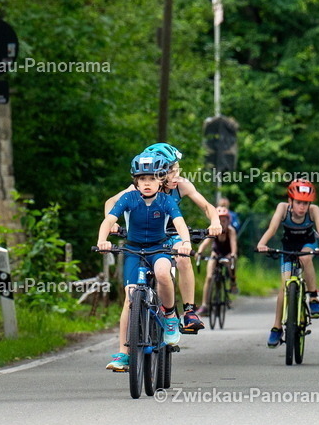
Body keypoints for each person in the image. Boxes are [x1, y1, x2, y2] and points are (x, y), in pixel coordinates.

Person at [104, 142, 219, 333]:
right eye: (172, 171)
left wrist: (215, 222)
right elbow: (110, 202)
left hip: (172, 235)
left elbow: (207, 207)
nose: (177, 175)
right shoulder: (140, 187)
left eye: (177, 170)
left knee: (183, 256)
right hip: (145, 238)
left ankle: (189, 311)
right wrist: (112, 224)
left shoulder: (181, 185)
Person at [97, 152, 192, 372]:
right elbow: (109, 219)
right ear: (136, 181)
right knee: (130, 297)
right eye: (142, 179)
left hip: (159, 249)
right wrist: (102, 240)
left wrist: (185, 242)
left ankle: (169, 315)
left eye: (151, 178)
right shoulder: (128, 199)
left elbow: (179, 223)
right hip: (133, 251)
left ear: (161, 180)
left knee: (162, 273)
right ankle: (123, 353)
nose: (146, 183)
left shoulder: (166, 200)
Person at [256, 180, 319, 348]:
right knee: (284, 286)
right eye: (299, 202)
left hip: (308, 244)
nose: (302, 207)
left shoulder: (314, 211)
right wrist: (262, 244)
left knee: (305, 258)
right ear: (290, 200)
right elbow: (272, 228)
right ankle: (277, 327)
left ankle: (313, 297)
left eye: (306, 203)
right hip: (288, 247)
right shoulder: (282, 208)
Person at [197, 207, 238, 314]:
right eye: (220, 220)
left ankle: (233, 282)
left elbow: (233, 245)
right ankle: (205, 305)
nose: (222, 222)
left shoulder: (231, 231)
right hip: (216, 253)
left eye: (224, 220)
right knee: (209, 277)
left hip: (227, 254)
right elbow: (205, 242)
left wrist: (233, 254)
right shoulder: (214, 230)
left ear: (228, 221)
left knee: (231, 263)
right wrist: (199, 252)